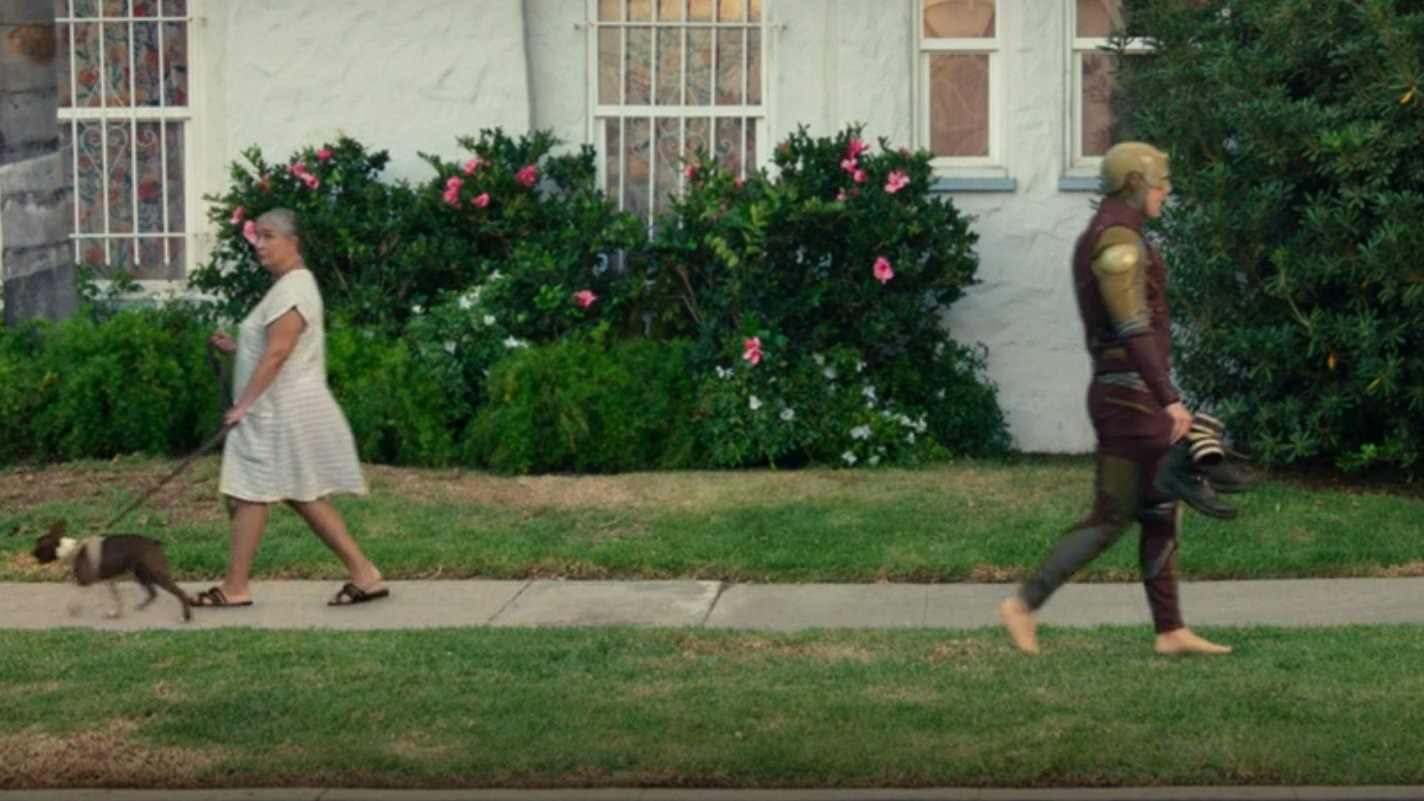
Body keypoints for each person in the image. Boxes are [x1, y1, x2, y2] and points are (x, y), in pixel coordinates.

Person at [998, 142, 1233, 656]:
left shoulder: (1117, 233)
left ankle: (1170, 630)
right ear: (1134, 184)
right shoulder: (1118, 240)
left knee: (1160, 506)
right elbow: (1132, 327)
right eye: (1160, 182)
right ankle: (1024, 605)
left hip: (1131, 396)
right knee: (1114, 515)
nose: (1166, 191)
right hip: (1130, 401)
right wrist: (1169, 399)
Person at [194, 208, 387, 608]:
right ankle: (364, 574)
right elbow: (273, 346)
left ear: (293, 243)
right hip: (279, 409)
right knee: (299, 494)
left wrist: (243, 405)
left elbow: (279, 352)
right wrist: (238, 347)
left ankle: (235, 587)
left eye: (269, 236)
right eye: (258, 237)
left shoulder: (294, 289)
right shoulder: (290, 287)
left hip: (277, 412)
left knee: (255, 492)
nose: (260, 245)